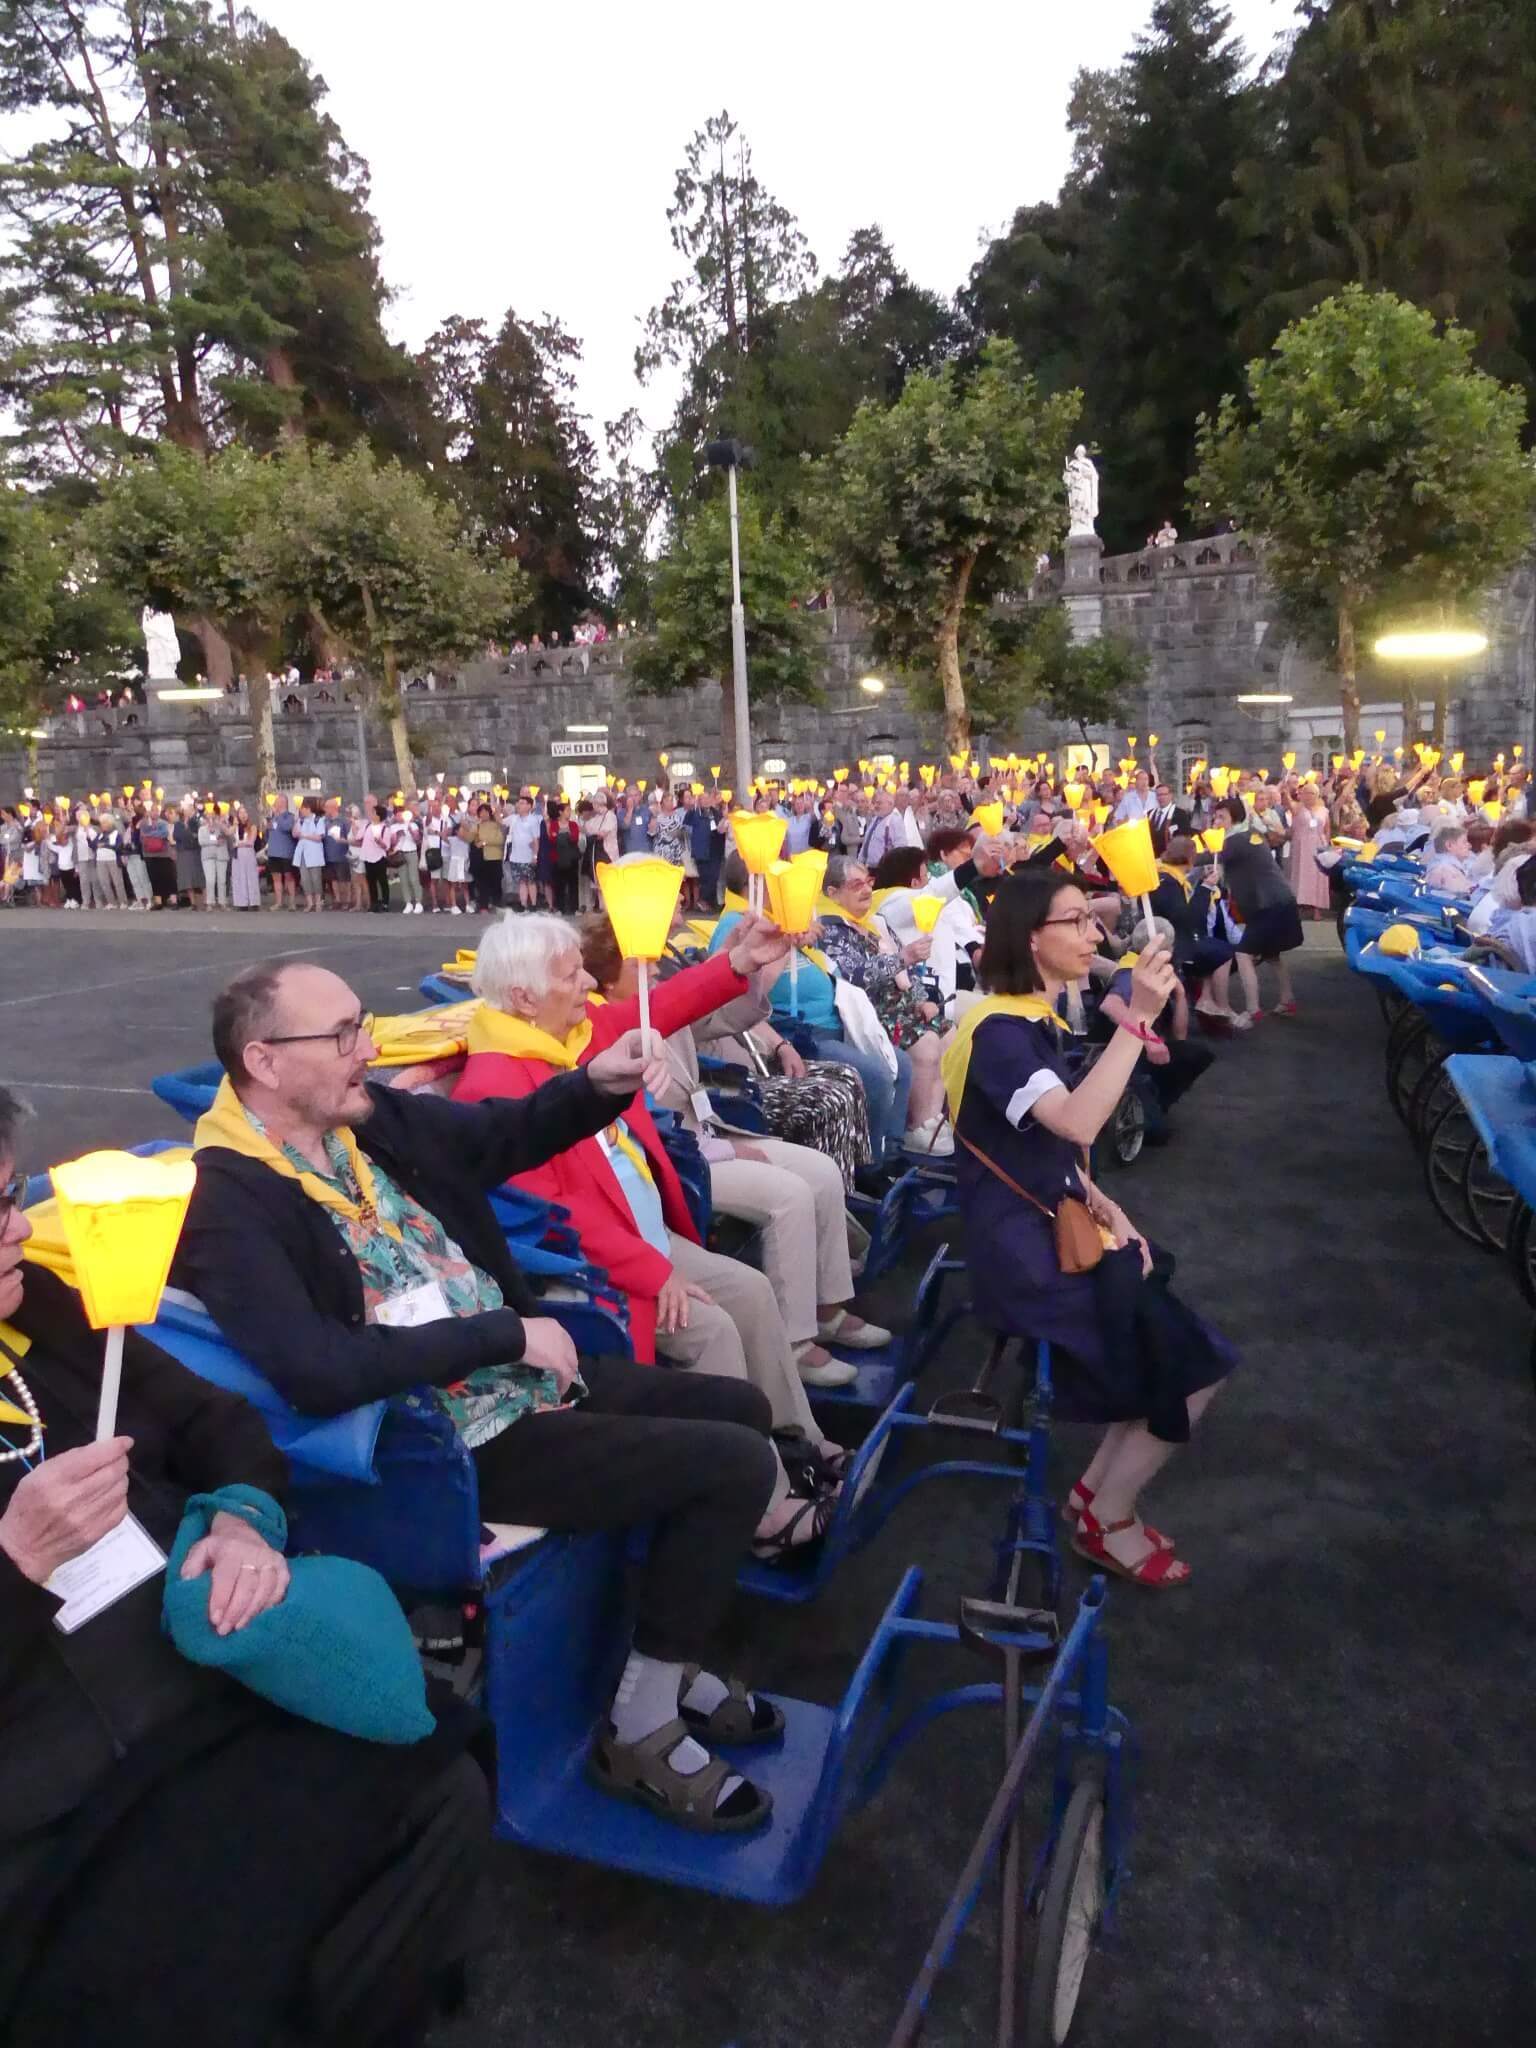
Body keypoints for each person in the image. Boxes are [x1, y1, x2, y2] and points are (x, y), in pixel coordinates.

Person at [174, 961, 802, 1832]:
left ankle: (656, 1648)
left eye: (364, 1023)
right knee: (733, 1466)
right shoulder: (227, 1201)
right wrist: (502, 1333)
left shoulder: (364, 1121)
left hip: (517, 1380)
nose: (370, 1050)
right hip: (444, 1437)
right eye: (344, 1035)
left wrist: (595, 1084)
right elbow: (317, 1371)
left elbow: (495, 1138)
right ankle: (643, 1722)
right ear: (265, 1063)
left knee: (738, 1408)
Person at [0, 1086, 491, 2048]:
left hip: (207, 1672)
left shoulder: (48, 1314)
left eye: (10, 1193)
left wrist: (240, 1520)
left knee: (439, 1779)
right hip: (55, 1789)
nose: (16, 1227)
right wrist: (17, 1559)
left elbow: (218, 1423)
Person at [454, 909, 848, 1438]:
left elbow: (662, 1005)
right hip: (602, 1268)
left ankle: (802, 1438)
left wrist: (737, 961)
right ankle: (761, 1494)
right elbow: (557, 1218)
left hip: (648, 1237)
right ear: (525, 999)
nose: (590, 982)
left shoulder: (573, 1033)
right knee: (712, 1331)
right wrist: (655, 1273)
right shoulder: (493, 1086)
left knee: (752, 1292)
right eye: (572, 976)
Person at [944, 876, 1234, 1588]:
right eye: (1075, 920)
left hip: (1045, 1229)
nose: (1093, 933)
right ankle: (1109, 1516)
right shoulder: (1001, 1034)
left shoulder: (1024, 1020)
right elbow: (1075, 1123)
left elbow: (1051, 1149)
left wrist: (1102, 1199)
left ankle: (1095, 1497)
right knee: (1196, 1364)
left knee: (1163, 1319)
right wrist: (1138, 1018)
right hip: (1024, 1256)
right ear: (1030, 937)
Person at [579, 913, 890, 1388]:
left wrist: (747, 966)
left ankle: (826, 1307)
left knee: (821, 1170)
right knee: (787, 1194)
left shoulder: (655, 1006)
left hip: (709, 1132)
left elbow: (729, 1013)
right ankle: (793, 1341)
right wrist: (726, 1153)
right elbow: (640, 1130)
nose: (656, 967)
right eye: (640, 964)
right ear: (605, 978)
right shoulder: (603, 1033)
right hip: (683, 1157)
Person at [709, 854, 912, 1169]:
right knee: (875, 1076)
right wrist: (787, 944)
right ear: (758, 882)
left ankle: (890, 1151)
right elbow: (746, 995)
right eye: (779, 877)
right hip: (799, 1030)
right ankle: (869, 1169)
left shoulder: (778, 918)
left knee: (903, 1063)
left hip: (834, 1020)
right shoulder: (736, 923)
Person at [818, 855, 955, 1157]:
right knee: (927, 1042)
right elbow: (854, 977)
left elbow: (907, 971)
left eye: (868, 882)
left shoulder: (875, 922)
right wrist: (902, 957)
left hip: (903, 1006)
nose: (866, 890)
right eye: (855, 885)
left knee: (948, 1033)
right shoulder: (829, 930)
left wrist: (922, 999)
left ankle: (931, 1120)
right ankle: (916, 1126)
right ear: (832, 892)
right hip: (871, 1013)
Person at [1209, 798, 1304, 1019]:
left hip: (1268, 903)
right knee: (1272, 954)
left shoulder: (1237, 840)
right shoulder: (1249, 833)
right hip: (1277, 899)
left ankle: (1253, 1009)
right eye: (1216, 816)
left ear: (1235, 817)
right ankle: (1287, 999)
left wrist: (1172, 858)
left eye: (1221, 817)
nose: (1216, 821)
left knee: (1243, 953)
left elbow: (1209, 855)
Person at [503, 794, 541, 911]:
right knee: (521, 882)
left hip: (528, 856)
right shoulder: (514, 818)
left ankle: (533, 904)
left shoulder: (533, 820)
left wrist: (535, 855)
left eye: (523, 803)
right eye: (519, 803)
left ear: (529, 806)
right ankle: (523, 904)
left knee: (531, 881)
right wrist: (496, 804)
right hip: (515, 856)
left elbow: (536, 839)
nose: (519, 805)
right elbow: (500, 820)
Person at [293, 795, 328, 913]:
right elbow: (294, 834)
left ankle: (318, 902)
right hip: (302, 853)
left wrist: (304, 835)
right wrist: (296, 821)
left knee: (316, 878)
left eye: (302, 808)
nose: (301, 810)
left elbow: (319, 837)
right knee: (305, 879)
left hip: (314, 853)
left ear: (308, 808)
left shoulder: (319, 820)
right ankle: (309, 902)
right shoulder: (301, 821)